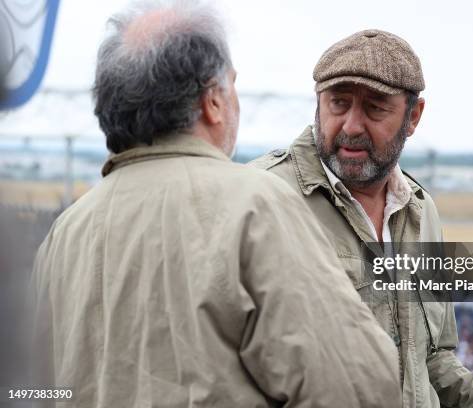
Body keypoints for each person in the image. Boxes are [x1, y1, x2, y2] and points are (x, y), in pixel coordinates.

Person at [30, 6, 403, 407]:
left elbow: (34, 389)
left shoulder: (64, 234)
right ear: (212, 101)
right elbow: (359, 387)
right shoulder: (255, 205)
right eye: (232, 86)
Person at [251, 29, 473, 408]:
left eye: (375, 108)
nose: (351, 125)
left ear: (413, 117)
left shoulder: (420, 210)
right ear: (318, 104)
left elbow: (431, 362)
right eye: (338, 103)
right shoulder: (260, 197)